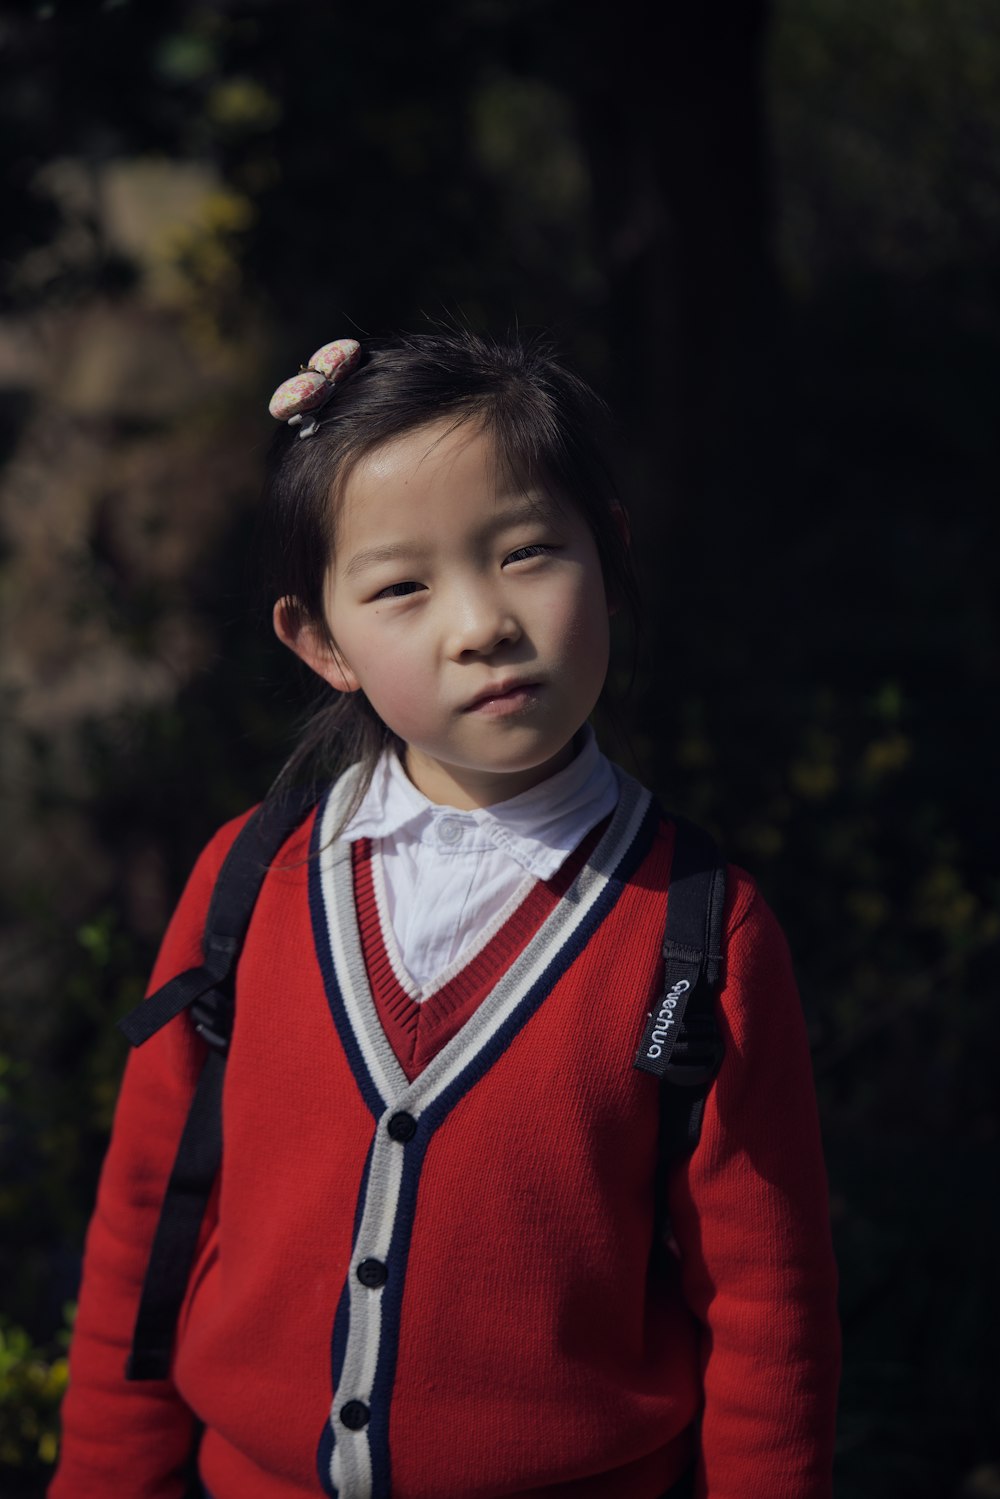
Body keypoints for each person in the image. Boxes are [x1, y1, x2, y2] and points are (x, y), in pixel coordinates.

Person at [50, 330, 840, 1499]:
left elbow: (768, 1305)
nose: (480, 623)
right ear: (321, 641)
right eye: (402, 586)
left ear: (608, 553)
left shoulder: (698, 930)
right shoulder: (249, 883)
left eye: (527, 552)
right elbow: (145, 1216)